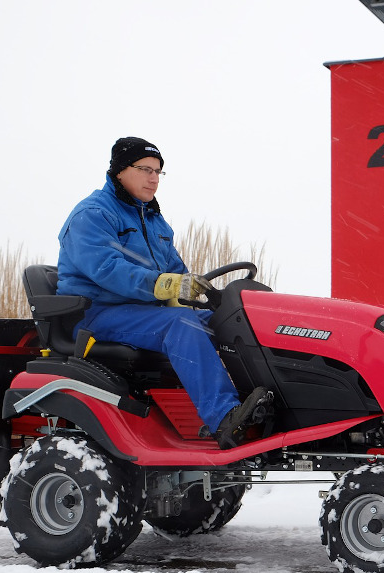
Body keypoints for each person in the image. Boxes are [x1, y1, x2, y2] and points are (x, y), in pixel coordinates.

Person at [56, 136, 269, 449]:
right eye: (145, 169)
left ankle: (264, 402)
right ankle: (224, 418)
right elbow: (106, 269)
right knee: (180, 325)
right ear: (119, 171)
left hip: (144, 312)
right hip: (97, 313)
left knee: (228, 322)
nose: (153, 178)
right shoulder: (93, 214)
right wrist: (161, 286)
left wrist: (198, 292)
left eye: (158, 171)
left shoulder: (154, 220)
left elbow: (175, 272)